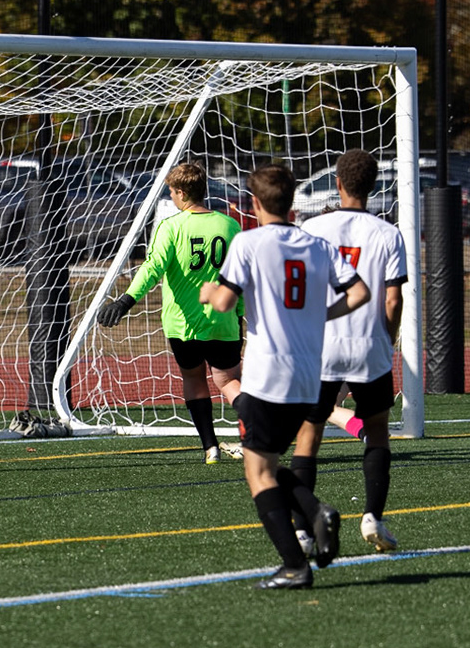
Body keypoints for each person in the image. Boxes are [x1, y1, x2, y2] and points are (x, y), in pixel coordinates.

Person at [200, 164, 368, 590]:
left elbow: (222, 303)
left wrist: (207, 292)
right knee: (269, 461)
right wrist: (321, 315)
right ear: (292, 201)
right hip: (309, 375)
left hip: (266, 373)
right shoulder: (316, 244)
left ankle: (296, 562)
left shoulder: (249, 242)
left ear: (254, 204)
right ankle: (315, 512)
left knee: (258, 471)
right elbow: (360, 293)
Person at [295, 149, 407, 551]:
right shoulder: (388, 232)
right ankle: (373, 518)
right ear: (374, 185)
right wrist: (387, 338)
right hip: (369, 346)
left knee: (310, 434)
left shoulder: (312, 228)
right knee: (376, 432)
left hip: (320, 345)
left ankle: (302, 532)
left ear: (338, 184)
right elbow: (393, 301)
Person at [97, 162, 245, 462]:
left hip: (183, 325)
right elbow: (240, 277)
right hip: (223, 321)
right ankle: (258, 432)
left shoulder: (171, 226)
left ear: (180, 192)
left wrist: (126, 301)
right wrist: (239, 314)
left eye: (171, 192)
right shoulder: (230, 225)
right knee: (229, 382)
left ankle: (210, 448)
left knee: (194, 379)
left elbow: (152, 269)